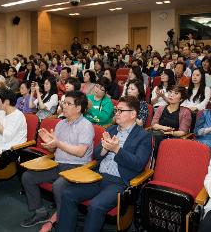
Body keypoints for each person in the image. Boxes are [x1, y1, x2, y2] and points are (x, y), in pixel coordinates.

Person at [57, 96, 152, 232]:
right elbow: (95, 155)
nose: (116, 113)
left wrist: (117, 150)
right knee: (67, 194)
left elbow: (138, 164)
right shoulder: (112, 130)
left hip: (119, 182)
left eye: (120, 110)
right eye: (116, 110)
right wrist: (105, 149)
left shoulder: (143, 136)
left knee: (95, 206)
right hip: (99, 176)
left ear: (133, 114)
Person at [20, 91, 94, 229]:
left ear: (78, 108)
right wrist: (50, 144)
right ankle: (40, 212)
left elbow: (80, 152)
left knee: (58, 186)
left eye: (68, 103)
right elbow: (55, 150)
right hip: (58, 164)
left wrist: (57, 143)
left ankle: (63, 222)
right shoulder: (61, 124)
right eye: (63, 102)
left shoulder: (86, 125)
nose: (64, 106)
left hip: (78, 168)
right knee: (27, 177)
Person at [0, 89, 27, 207]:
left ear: (6, 101)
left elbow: (7, 137)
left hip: (9, 150)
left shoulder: (18, 116)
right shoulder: (1, 113)